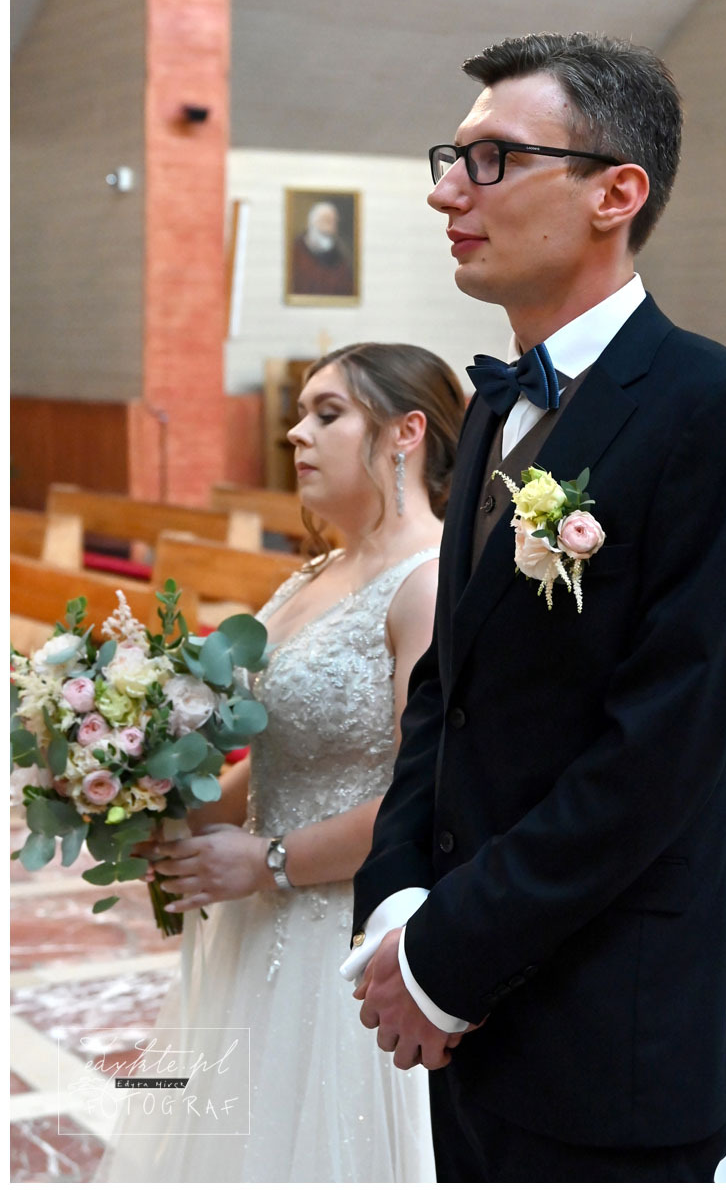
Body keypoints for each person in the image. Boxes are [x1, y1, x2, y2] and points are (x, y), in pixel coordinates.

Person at [343, 31, 726, 1182]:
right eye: (453, 158)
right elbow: (447, 687)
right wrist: (397, 898)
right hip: (469, 1017)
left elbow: (663, 745)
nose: (449, 191)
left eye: (493, 159)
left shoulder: (717, 409)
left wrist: (447, 953)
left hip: (612, 1024)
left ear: (615, 194)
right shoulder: (496, 409)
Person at [96, 343, 465, 1182]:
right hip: (258, 922)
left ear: (405, 432)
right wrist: (162, 807)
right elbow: (279, 762)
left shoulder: (429, 582)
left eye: (327, 414)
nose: (296, 434)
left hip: (344, 932)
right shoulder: (317, 572)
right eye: (300, 414)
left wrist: (268, 860)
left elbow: (428, 797)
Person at [289, 200, 355, 297]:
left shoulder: (341, 256)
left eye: (334, 221)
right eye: (326, 220)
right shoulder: (294, 252)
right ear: (312, 222)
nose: (330, 226)